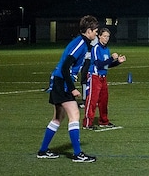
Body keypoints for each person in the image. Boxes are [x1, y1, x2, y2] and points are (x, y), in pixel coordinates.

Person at [37, 15, 99, 162]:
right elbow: (65, 67)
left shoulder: (83, 43)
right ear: (89, 31)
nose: (96, 33)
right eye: (95, 31)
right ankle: (78, 154)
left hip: (59, 81)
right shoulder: (80, 44)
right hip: (62, 82)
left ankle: (43, 151)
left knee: (58, 118)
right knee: (75, 114)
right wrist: (72, 88)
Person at [83, 28, 126, 129]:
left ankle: (104, 121)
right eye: (104, 36)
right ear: (99, 36)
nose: (106, 38)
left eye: (108, 36)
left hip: (103, 77)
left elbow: (106, 66)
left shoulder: (106, 49)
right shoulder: (96, 48)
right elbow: (98, 64)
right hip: (95, 76)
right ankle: (87, 123)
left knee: (104, 101)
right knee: (92, 100)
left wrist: (118, 62)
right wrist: (111, 58)